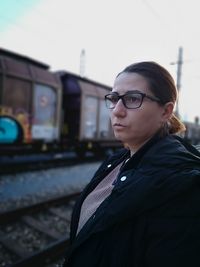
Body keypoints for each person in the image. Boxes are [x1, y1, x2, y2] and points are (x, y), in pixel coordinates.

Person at [63, 61, 200, 267]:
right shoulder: (115, 161)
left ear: (165, 111)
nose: (117, 111)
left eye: (133, 99)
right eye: (114, 98)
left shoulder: (183, 187)